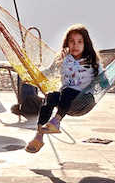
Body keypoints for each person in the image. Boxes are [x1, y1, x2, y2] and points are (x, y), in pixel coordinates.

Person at [25, 23, 99, 153]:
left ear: (85, 44)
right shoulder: (63, 58)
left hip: (84, 98)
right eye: (72, 41)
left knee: (68, 91)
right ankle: (39, 135)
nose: (75, 45)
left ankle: (56, 121)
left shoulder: (92, 60)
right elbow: (50, 71)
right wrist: (35, 75)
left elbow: (105, 79)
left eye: (79, 42)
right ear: (67, 43)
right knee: (50, 97)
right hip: (66, 98)